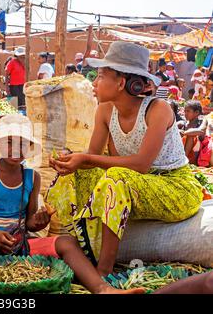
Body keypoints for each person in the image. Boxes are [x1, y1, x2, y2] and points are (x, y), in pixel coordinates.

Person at [46, 41, 203, 277]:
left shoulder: (158, 109)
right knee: (83, 172)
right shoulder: (105, 110)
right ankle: (87, 245)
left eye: (100, 76)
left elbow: (141, 165)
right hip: (137, 186)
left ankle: (103, 270)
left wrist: (87, 158)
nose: (94, 83)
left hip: (175, 187)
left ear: (121, 83)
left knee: (115, 177)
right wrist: (69, 161)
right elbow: (93, 160)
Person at [0, 114, 144, 294]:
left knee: (67, 243)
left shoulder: (32, 177)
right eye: (9, 142)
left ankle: (102, 289)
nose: (16, 149)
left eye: (22, 144)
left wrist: (40, 221)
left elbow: (28, 224)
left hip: (17, 245)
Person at [180, 101, 205, 165]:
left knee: (191, 135)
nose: (185, 113)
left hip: (197, 154)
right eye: (185, 111)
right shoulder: (183, 123)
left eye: (188, 111)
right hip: (182, 150)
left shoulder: (202, 121)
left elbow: (201, 131)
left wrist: (184, 133)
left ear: (196, 113)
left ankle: (183, 161)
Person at [5, 47, 26, 113]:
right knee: (16, 104)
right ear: (17, 56)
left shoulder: (24, 62)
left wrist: (24, 63)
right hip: (14, 86)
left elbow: (28, 72)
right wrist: (7, 87)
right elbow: (6, 74)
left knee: (23, 102)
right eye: (21, 56)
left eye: (23, 56)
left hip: (23, 85)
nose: (22, 57)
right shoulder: (12, 62)